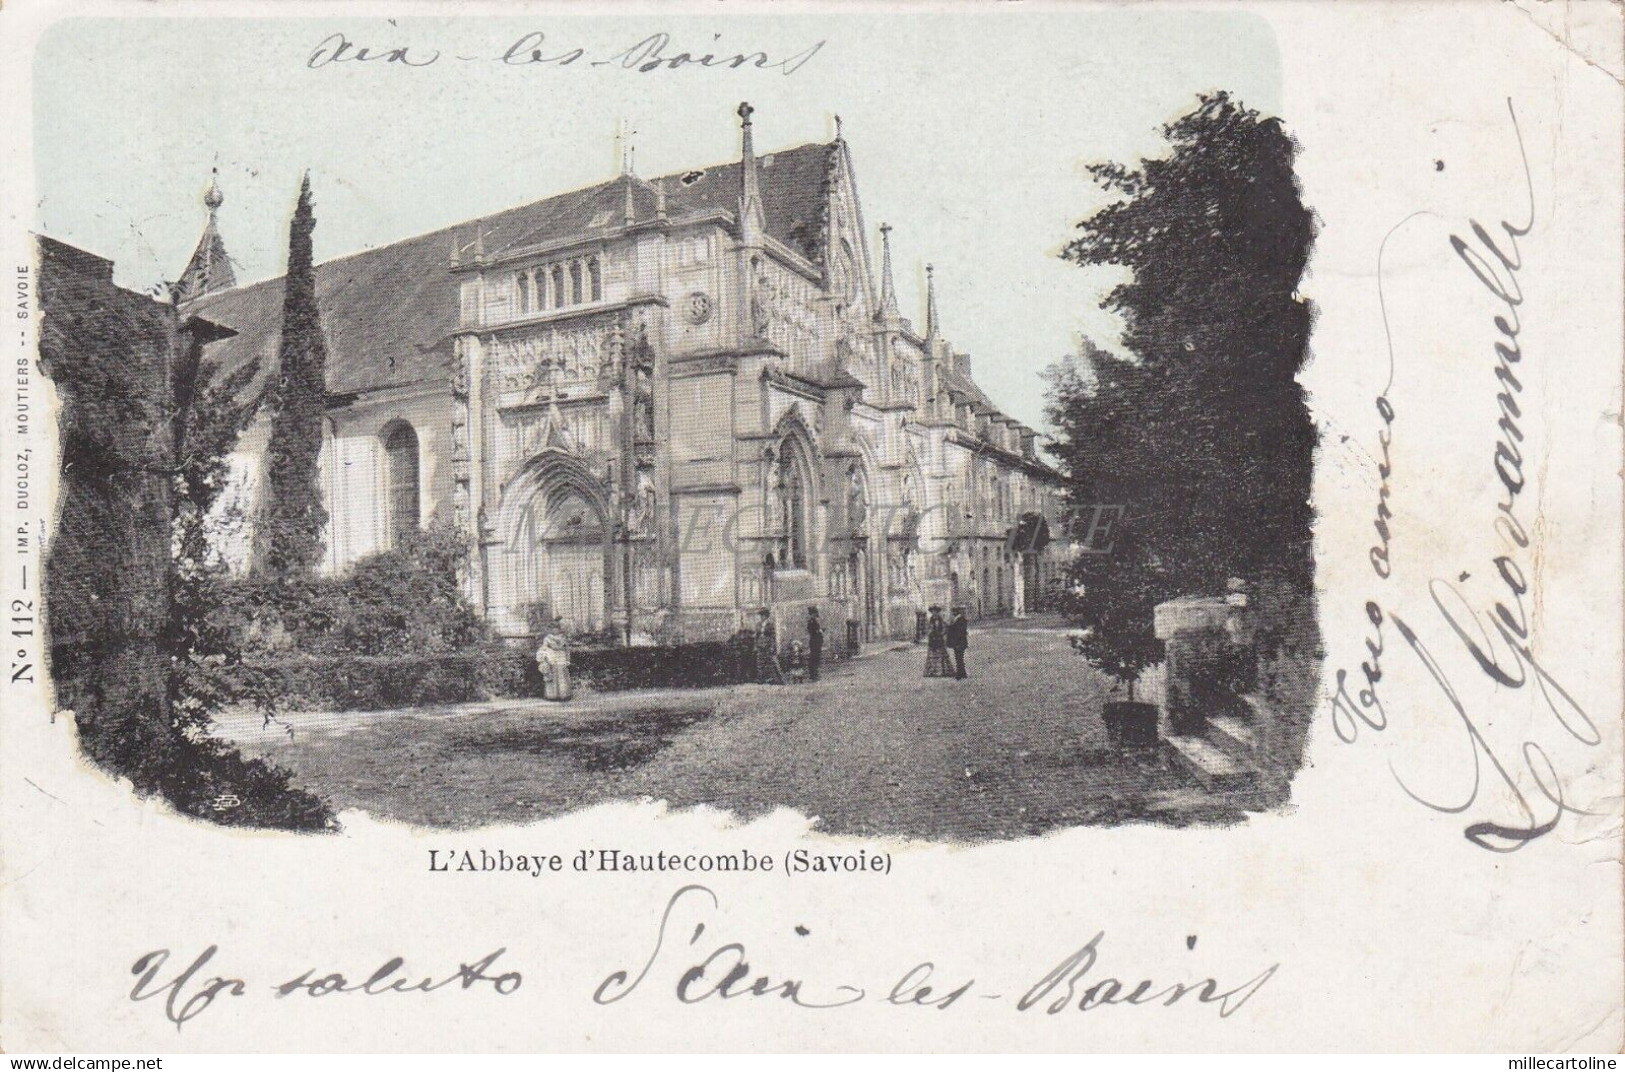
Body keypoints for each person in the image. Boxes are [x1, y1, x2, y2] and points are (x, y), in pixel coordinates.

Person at [536, 628, 574, 701]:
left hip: (553, 657)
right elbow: (567, 649)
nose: (555, 630)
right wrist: (567, 659)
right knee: (559, 676)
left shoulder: (548, 638)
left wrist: (545, 655)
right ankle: (562, 695)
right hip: (558, 658)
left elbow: (544, 648)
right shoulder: (562, 638)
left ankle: (556, 695)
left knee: (557, 676)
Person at [755, 608, 785, 684]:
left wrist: (772, 646)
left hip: (767, 645)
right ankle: (761, 679)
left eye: (763, 615)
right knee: (760, 662)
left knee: (772, 662)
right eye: (761, 615)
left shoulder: (770, 624)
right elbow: (756, 636)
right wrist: (756, 645)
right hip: (760, 645)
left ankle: (777, 679)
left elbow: (772, 636)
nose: (762, 617)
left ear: (766, 616)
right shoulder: (758, 624)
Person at [924, 605, 951, 678]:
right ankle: (933, 671)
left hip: (939, 640)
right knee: (932, 656)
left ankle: (942, 671)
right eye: (933, 612)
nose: (934, 613)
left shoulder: (941, 620)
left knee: (941, 655)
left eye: (936, 612)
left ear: (938, 612)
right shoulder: (930, 620)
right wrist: (930, 632)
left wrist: (941, 634)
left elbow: (945, 628)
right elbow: (927, 629)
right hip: (932, 640)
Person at [947, 606, 970, 680]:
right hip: (958, 642)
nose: (952, 614)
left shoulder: (960, 620)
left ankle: (959, 674)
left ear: (955, 612)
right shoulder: (958, 619)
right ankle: (962, 673)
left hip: (959, 643)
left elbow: (959, 632)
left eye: (952, 612)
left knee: (959, 659)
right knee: (959, 658)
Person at [806, 606, 824, 683]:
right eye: (815, 613)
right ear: (813, 614)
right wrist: (820, 631)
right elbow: (814, 631)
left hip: (815, 641)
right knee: (814, 658)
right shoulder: (812, 621)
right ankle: (813, 675)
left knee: (815, 657)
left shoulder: (812, 621)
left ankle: (814, 675)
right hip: (815, 642)